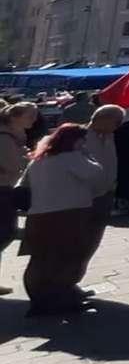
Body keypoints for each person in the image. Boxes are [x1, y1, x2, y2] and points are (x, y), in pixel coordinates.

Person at [20, 123, 114, 314]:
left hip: (38, 214)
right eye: (83, 140)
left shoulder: (38, 159)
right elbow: (97, 175)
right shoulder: (72, 157)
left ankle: (37, 302)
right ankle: (63, 299)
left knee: (38, 259)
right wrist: (87, 155)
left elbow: (25, 183)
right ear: (76, 140)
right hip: (70, 214)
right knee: (69, 258)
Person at [79, 104, 125, 277]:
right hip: (86, 197)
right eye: (116, 121)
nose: (118, 125)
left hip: (105, 194)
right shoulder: (81, 138)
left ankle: (76, 278)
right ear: (102, 119)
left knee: (92, 241)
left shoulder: (109, 137)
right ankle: (67, 280)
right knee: (80, 241)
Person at [1, 101, 39, 294]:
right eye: (30, 115)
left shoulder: (14, 135)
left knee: (6, 232)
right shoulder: (5, 137)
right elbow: (11, 165)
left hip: (6, 188)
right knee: (5, 232)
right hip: (2, 189)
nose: (34, 119)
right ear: (15, 117)